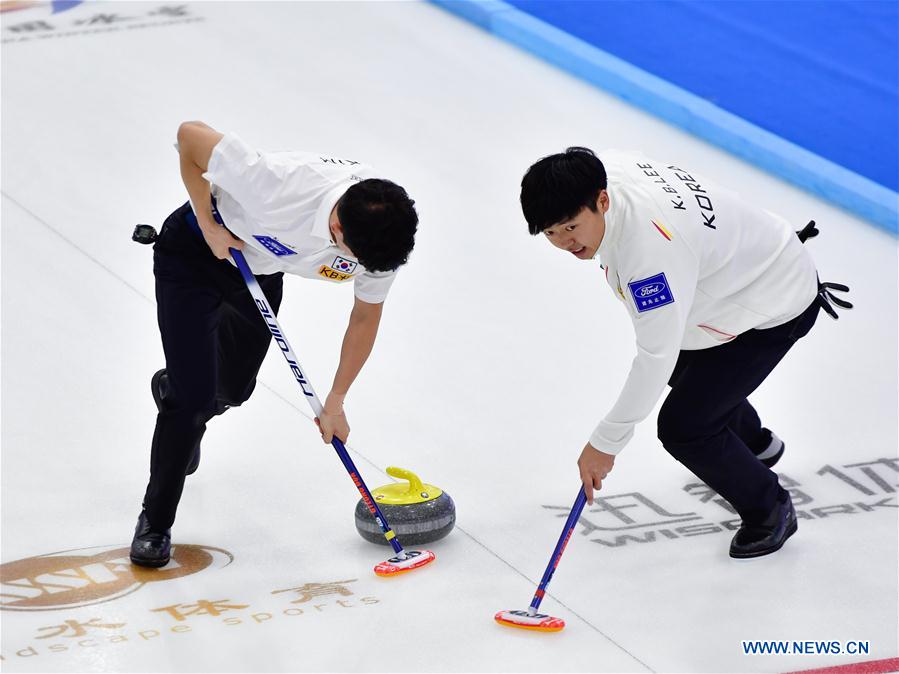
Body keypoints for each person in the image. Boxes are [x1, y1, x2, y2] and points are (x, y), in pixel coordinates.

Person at [519, 147, 851, 558]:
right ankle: (757, 444)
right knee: (688, 371)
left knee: (685, 426)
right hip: (742, 273)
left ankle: (770, 508)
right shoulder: (605, 172)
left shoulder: (649, 255)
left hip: (773, 303)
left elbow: (654, 358)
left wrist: (605, 443)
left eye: (571, 227)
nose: (565, 243)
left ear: (601, 200)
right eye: (551, 234)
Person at [130, 121, 418, 567]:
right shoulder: (277, 185)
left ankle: (174, 392)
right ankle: (155, 520)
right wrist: (208, 226)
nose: (358, 267)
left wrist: (336, 401)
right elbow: (190, 137)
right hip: (194, 254)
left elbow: (364, 317)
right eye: (354, 258)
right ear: (337, 226)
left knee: (231, 390)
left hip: (258, 272)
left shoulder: (383, 236)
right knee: (192, 402)